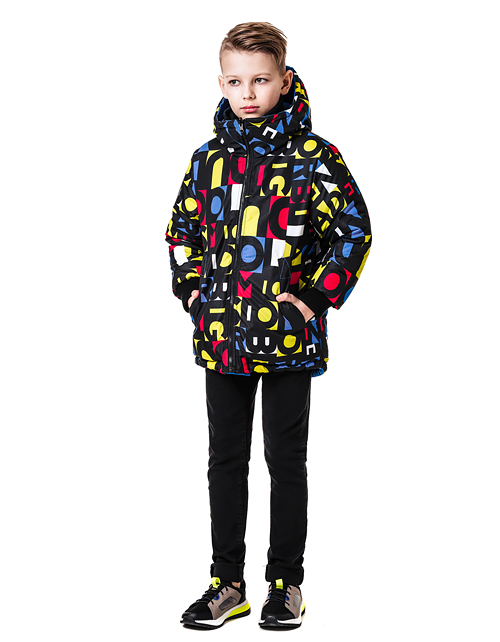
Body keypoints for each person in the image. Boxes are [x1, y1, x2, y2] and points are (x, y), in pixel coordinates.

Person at [165, 21, 372, 630]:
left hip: (287, 340)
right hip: (222, 339)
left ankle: (286, 583)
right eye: (235, 81)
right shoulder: (207, 161)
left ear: (284, 79)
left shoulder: (315, 158)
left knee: (286, 461)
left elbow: (354, 231)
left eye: (260, 80)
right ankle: (226, 584)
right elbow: (181, 234)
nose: (248, 93)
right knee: (224, 461)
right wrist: (197, 296)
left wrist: (310, 300)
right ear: (221, 83)